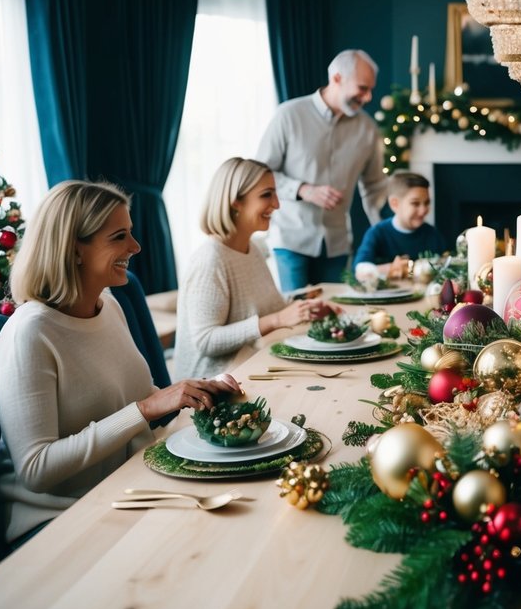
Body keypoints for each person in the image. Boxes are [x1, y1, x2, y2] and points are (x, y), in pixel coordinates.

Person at [0, 180, 241, 542]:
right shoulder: (30, 334)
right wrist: (146, 407)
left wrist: (193, 392)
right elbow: (36, 469)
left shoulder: (108, 304)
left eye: (131, 233)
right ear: (74, 249)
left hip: (130, 485)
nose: (135, 247)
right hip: (61, 519)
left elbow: (138, 401)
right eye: (118, 236)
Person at [174, 158, 338, 379]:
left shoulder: (251, 248)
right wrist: (277, 320)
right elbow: (206, 341)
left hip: (250, 366)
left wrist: (304, 309)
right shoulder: (210, 260)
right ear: (235, 202)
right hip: (214, 385)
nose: (277, 204)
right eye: (266, 194)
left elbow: (265, 307)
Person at [256, 49, 388, 291]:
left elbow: (375, 186)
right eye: (362, 88)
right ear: (337, 78)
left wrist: (386, 232)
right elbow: (260, 173)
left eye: (370, 89)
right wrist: (303, 190)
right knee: (297, 316)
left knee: (337, 318)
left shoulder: (368, 129)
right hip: (290, 241)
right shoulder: (288, 115)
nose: (368, 97)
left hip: (337, 243)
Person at [353, 171, 446, 279]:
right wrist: (391, 268)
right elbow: (360, 269)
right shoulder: (377, 233)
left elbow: (446, 266)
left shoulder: (433, 234)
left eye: (426, 203)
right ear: (394, 204)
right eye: (415, 203)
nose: (423, 210)